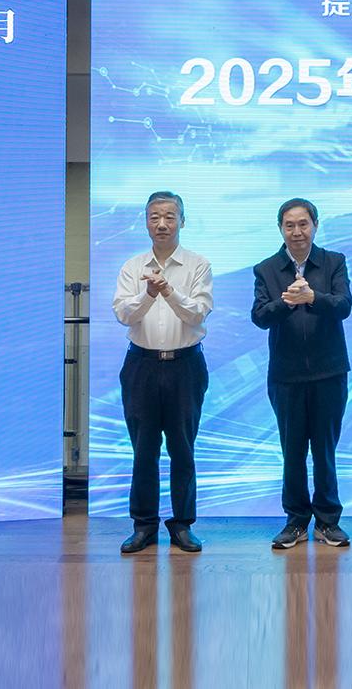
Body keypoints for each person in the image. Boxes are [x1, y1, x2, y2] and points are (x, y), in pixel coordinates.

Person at [111, 190, 214, 554]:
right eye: (154, 217)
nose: (162, 224)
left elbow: (197, 313)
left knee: (183, 448)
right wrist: (149, 294)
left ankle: (183, 525)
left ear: (182, 221)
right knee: (144, 450)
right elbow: (124, 314)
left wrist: (168, 291)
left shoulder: (198, 265)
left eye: (170, 216)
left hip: (186, 366)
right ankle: (144, 526)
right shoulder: (132, 266)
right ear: (146, 222)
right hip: (141, 366)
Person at [251, 198, 352, 549]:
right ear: (281, 229)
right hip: (286, 375)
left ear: (315, 226)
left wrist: (312, 297)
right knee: (292, 451)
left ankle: (328, 521)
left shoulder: (333, 262)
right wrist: (287, 302)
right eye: (290, 225)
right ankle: (295, 521)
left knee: (325, 450)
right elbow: (260, 316)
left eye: (303, 224)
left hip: (330, 372)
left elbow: (343, 306)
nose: (297, 231)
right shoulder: (266, 269)